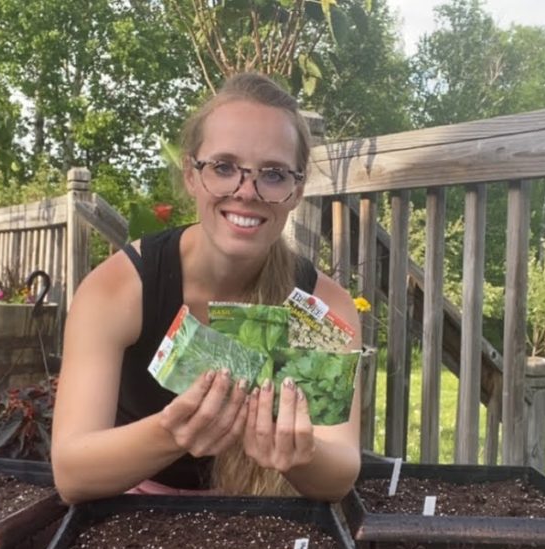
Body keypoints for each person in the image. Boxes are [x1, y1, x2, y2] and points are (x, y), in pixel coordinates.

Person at [51, 72, 363, 504]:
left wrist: (301, 455)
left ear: (297, 190)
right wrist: (172, 431)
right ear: (192, 175)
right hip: (130, 519)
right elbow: (71, 472)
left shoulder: (323, 305)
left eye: (272, 174)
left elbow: (341, 472)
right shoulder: (117, 290)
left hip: (266, 517)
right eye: (223, 167)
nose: (246, 191)